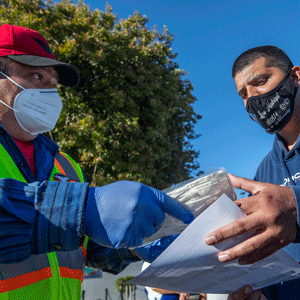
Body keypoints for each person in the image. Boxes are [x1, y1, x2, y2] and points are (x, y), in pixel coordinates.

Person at [0, 23, 194, 299]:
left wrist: (136, 242)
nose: (49, 92)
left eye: (53, 85)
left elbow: (84, 246)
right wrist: (82, 208)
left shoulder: (65, 165)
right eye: (36, 76)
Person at [205, 45, 300, 299]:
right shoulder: (264, 172)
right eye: (243, 95)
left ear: (295, 77)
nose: (253, 99)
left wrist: (295, 207)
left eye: (260, 81)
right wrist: (262, 294)